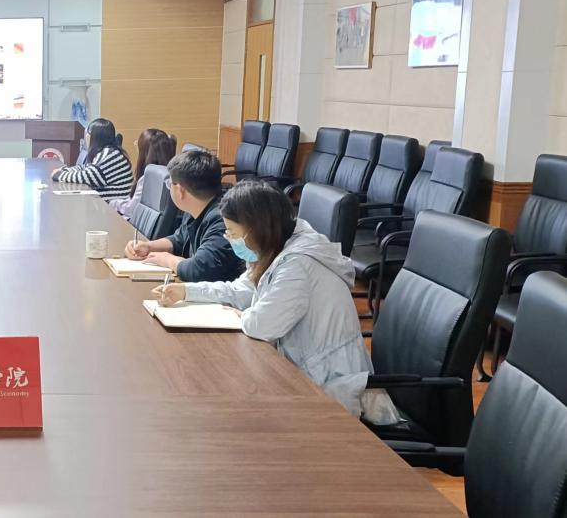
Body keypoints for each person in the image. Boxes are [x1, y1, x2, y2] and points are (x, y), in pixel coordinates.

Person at [151, 181, 398, 424]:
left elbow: (262, 325)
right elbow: (240, 291)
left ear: (256, 228)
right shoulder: (274, 248)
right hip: (300, 370)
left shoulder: (298, 263)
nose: (230, 240)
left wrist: (244, 315)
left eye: (233, 233)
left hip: (327, 386)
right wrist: (185, 291)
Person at [123, 148, 242, 282]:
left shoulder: (223, 220)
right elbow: (179, 239)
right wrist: (149, 247)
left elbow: (200, 270)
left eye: (170, 184)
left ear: (180, 190)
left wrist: (169, 260)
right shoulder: (196, 209)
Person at [50, 118, 134, 201]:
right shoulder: (107, 152)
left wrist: (59, 175)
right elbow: (85, 168)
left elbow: (87, 177)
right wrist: (65, 170)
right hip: (105, 204)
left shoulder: (109, 154)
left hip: (111, 207)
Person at [110, 128, 177, 216]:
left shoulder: (148, 179)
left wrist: (114, 203)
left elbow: (131, 209)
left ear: (145, 152)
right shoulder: (171, 174)